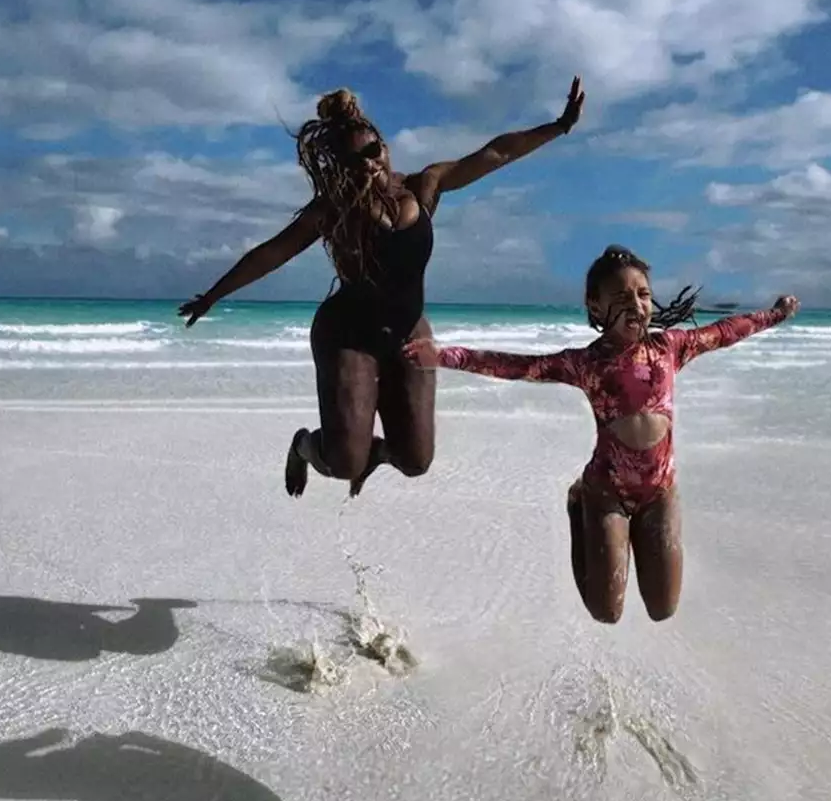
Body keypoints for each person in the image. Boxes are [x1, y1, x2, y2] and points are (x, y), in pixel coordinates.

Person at [178, 79, 586, 497]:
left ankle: (375, 454)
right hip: (347, 335)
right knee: (342, 461)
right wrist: (214, 294)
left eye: (374, 152)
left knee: (415, 461)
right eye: (355, 161)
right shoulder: (333, 211)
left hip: (408, 330)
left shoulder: (424, 186)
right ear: (340, 166)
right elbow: (273, 252)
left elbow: (496, 153)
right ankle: (304, 444)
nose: (370, 165)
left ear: (385, 146)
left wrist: (559, 126)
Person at [404, 245, 797, 624]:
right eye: (621, 296)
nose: (636, 305)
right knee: (605, 612)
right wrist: (442, 354)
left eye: (643, 294)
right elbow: (513, 365)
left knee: (663, 609)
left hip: (659, 490)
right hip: (607, 490)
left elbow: (727, 330)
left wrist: (775, 315)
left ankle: (611, 516)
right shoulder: (585, 363)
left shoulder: (671, 347)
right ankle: (579, 504)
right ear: (595, 305)